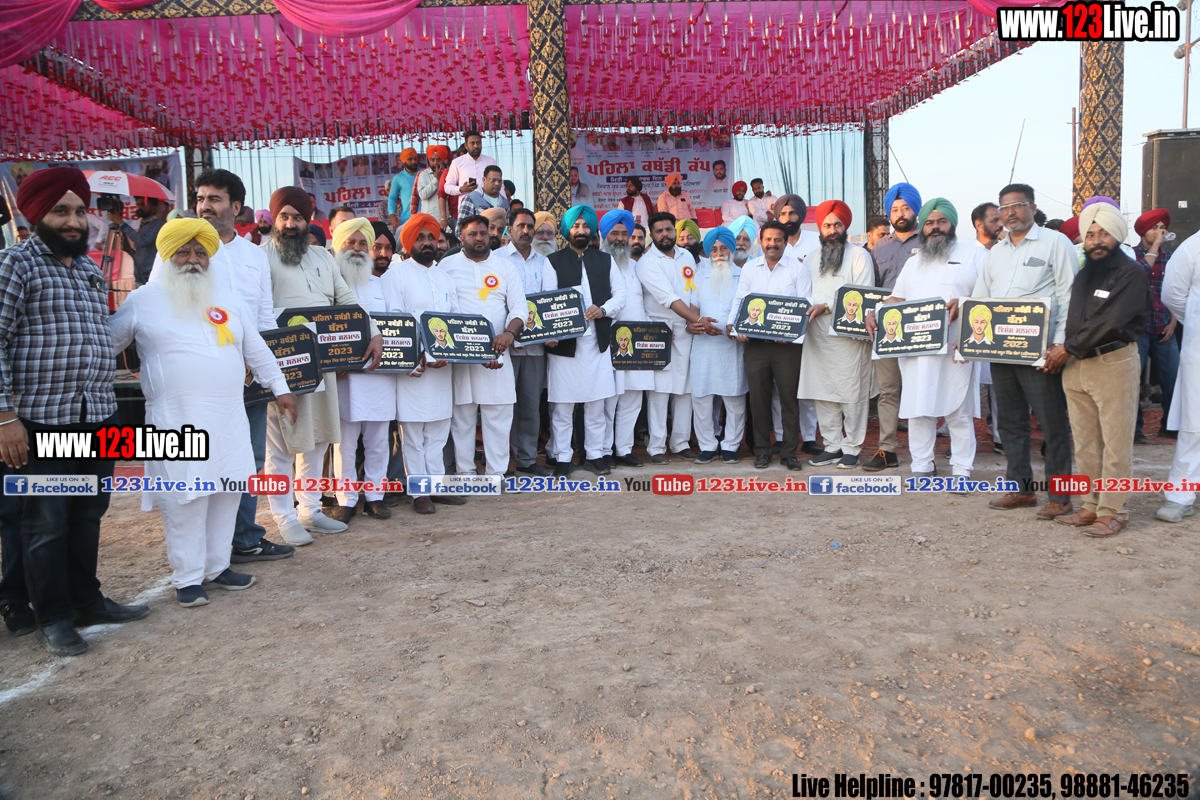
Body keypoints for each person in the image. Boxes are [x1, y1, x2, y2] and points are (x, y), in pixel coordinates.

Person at [110, 219, 297, 607]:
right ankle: (188, 578)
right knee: (185, 500)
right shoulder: (142, 300)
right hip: (174, 421)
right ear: (167, 256)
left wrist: (281, 388)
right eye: (183, 252)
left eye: (201, 253)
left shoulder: (227, 299)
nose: (193, 260)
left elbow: (256, 349)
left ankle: (217, 567)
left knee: (227, 491)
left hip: (228, 418)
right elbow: (104, 344)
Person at [1, 166, 148, 656]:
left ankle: (87, 601)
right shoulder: (15, 264)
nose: (73, 220)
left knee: (88, 514)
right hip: (40, 419)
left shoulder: (86, 268)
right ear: (36, 214)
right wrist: (5, 419)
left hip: (96, 413)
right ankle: (54, 616)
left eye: (80, 211)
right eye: (61, 211)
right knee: (45, 523)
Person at [147, 169, 290, 565]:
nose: (204, 206)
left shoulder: (254, 255)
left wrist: (264, 369)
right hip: (196, 382)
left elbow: (264, 317)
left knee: (248, 458)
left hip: (248, 378)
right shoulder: (177, 249)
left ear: (235, 207)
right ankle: (201, 554)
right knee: (199, 462)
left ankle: (244, 539)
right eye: (200, 198)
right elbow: (157, 303)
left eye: (214, 199)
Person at [261, 188, 383, 545]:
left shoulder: (323, 258)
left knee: (316, 440)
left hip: (320, 361)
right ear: (274, 220)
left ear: (308, 220)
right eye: (284, 217)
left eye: (297, 217)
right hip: (280, 364)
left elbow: (346, 299)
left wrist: (373, 331)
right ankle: (283, 516)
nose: (290, 224)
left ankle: (309, 510)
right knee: (281, 446)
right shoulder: (260, 257)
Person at [1038, 202, 1148, 537]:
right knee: (1086, 443)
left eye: (1104, 233)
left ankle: (1113, 511)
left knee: (1116, 443)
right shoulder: (1085, 273)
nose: (1096, 241)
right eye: (1090, 235)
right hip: (1076, 365)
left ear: (1117, 235)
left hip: (1112, 363)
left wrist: (1066, 348)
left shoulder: (1132, 273)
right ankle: (1090, 504)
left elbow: (1110, 322)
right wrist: (1061, 347)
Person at [973, 183, 1078, 520]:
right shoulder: (996, 253)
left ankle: (1060, 497)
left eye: (1018, 205)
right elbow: (981, 299)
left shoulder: (1055, 242)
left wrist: (1060, 344)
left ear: (1032, 208)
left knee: (1052, 423)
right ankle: (1021, 490)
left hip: (1042, 351)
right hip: (1002, 350)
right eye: (1004, 208)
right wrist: (969, 338)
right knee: (1011, 423)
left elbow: (1069, 295)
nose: (1011, 212)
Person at [871, 199, 985, 480]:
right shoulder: (913, 262)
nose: (935, 228)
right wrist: (875, 312)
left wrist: (966, 301)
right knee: (919, 408)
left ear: (952, 224)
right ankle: (922, 466)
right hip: (917, 348)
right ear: (923, 227)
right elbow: (897, 298)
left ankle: (961, 469)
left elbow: (989, 297)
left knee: (959, 411)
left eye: (941, 221)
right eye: (930, 223)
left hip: (956, 346)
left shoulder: (974, 255)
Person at [383, 214, 459, 514]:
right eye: (421, 238)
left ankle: (437, 486)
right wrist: (420, 354)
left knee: (439, 430)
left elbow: (455, 318)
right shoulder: (395, 276)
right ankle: (419, 492)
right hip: (414, 367)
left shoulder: (444, 277)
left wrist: (451, 351)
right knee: (413, 433)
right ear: (408, 242)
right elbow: (395, 321)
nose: (427, 243)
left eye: (432, 238)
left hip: (443, 365)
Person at [440, 215, 527, 477]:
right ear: (461, 237)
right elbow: (441, 309)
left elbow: (519, 308)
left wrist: (509, 334)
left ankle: (496, 475)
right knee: (462, 418)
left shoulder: (505, 266)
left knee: (498, 416)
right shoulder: (447, 266)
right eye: (472, 234)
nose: (479, 238)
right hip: (461, 357)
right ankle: (466, 474)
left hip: (498, 353)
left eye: (483, 233)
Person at [544, 205, 625, 476]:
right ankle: (563, 458)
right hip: (565, 345)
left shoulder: (605, 260)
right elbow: (548, 299)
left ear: (592, 230)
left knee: (596, 405)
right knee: (562, 407)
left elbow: (620, 295)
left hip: (596, 344)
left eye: (585, 226)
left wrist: (603, 310)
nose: (581, 230)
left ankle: (594, 455)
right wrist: (552, 332)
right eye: (576, 226)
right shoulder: (553, 261)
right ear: (568, 229)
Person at [326, 218, 396, 523]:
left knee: (378, 440)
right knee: (344, 442)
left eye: (362, 243)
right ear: (338, 245)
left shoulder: (383, 284)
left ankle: (375, 497)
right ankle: (346, 499)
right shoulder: (330, 284)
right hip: (345, 377)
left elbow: (398, 326)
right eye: (350, 242)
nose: (356, 248)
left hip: (380, 375)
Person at [727, 221, 811, 470]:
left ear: (785, 242)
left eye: (778, 240)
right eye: (768, 239)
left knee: (789, 401)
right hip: (756, 346)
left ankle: (789, 453)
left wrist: (791, 334)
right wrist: (736, 329)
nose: (772, 244)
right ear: (760, 241)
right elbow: (740, 300)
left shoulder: (798, 269)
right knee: (758, 401)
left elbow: (805, 307)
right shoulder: (750, 268)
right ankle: (762, 451)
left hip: (788, 347)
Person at [799, 200, 875, 469]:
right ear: (820, 229)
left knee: (851, 394)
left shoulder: (859, 256)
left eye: (837, 225)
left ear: (845, 227)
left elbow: (863, 296)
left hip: (849, 338)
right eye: (827, 225)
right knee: (822, 393)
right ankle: (832, 446)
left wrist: (827, 306)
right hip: (816, 338)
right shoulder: (810, 258)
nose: (832, 230)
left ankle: (852, 448)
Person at [860, 182, 920, 472]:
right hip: (887, 329)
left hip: (920, 327)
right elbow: (872, 288)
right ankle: (887, 450)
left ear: (915, 209)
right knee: (888, 391)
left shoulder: (930, 242)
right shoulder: (880, 246)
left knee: (921, 388)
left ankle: (924, 453)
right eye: (895, 209)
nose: (900, 214)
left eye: (905, 208)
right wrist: (869, 315)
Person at [638, 212, 702, 463]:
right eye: (659, 231)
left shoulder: (686, 256)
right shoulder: (647, 262)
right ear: (652, 235)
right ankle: (656, 447)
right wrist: (697, 320)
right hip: (658, 330)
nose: (665, 234)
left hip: (686, 328)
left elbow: (692, 290)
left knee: (685, 388)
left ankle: (680, 442)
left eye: (668, 229)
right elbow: (668, 298)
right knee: (660, 391)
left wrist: (693, 320)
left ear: (675, 231)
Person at [600, 210, 653, 468]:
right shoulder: (596, 264)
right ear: (604, 236)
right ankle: (603, 450)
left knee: (632, 399)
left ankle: (623, 449)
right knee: (608, 401)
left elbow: (648, 302)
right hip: (607, 343)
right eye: (615, 233)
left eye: (625, 234)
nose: (621, 238)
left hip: (636, 343)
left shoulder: (636, 266)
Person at [690, 227, 747, 463]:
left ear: (731, 249)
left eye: (723, 248)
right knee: (702, 398)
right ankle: (707, 445)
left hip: (733, 347)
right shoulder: (698, 276)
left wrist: (739, 329)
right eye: (713, 250)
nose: (719, 254)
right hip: (703, 346)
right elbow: (692, 311)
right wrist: (695, 324)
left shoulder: (744, 276)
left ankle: (731, 445)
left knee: (734, 398)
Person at [502, 208, 551, 476]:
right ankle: (501, 461)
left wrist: (553, 332)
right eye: (520, 226)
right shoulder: (497, 259)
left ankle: (527, 459)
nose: (526, 231)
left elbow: (550, 302)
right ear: (509, 229)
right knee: (502, 407)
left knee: (531, 406)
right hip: (505, 347)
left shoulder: (545, 262)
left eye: (530, 226)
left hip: (535, 347)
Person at [773, 194, 821, 451]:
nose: (788, 218)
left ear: (801, 215)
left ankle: (810, 438)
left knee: (807, 382)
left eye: (792, 213)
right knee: (778, 388)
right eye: (783, 214)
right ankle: (781, 437)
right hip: (776, 325)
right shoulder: (772, 242)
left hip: (809, 323)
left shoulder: (815, 241)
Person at [1132, 209, 1178, 442]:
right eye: (1153, 227)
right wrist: (1155, 246)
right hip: (1137, 329)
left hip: (1164, 326)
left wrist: (1174, 322)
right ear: (1143, 231)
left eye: (1162, 227)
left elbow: (1178, 291)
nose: (1159, 231)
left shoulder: (1171, 258)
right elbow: (1138, 276)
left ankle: (1170, 425)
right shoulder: (1130, 255)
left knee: (1173, 380)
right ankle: (1134, 430)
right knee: (1132, 381)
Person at [114, 195, 170, 283]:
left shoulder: (157, 223)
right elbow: (142, 253)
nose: (139, 207)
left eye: (143, 204)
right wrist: (129, 250)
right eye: (138, 204)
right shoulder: (143, 225)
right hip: (139, 276)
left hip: (151, 277)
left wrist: (120, 222)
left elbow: (143, 241)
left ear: (154, 209)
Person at [444, 131, 500, 199]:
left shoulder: (490, 161)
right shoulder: (457, 162)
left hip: (488, 204)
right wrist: (461, 189)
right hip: (466, 204)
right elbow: (447, 187)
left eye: (478, 143)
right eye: (472, 143)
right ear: (466, 146)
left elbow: (500, 185)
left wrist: (503, 203)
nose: (476, 146)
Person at [414, 145, 451, 229]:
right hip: (429, 219)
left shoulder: (450, 173)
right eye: (432, 160)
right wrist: (436, 179)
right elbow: (423, 195)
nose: (435, 163)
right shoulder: (423, 174)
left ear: (443, 159)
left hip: (448, 219)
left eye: (438, 159)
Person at [387, 148, 421, 229]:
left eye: (415, 159)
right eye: (410, 159)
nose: (414, 161)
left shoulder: (424, 173)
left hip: (427, 215)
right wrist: (392, 215)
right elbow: (392, 197)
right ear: (404, 161)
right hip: (408, 218)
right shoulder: (398, 178)